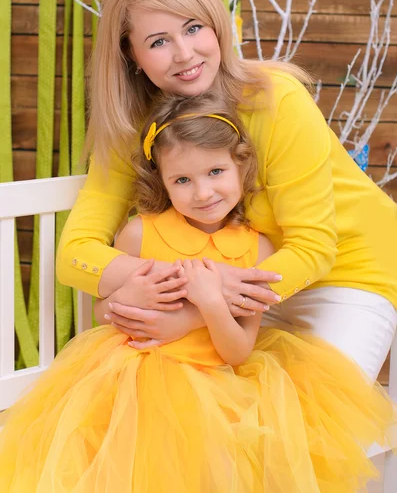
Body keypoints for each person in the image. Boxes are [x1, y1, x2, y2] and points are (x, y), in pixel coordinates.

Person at [0, 93, 395, 492]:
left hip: (217, 382)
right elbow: (105, 314)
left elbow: (239, 350)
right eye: (182, 180)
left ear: (242, 166)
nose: (202, 193)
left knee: (229, 457)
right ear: (163, 183)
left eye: (216, 172)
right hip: (132, 380)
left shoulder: (256, 250)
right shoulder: (140, 233)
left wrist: (209, 304)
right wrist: (127, 298)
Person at [56, 0, 397, 382]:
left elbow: (313, 248)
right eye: (159, 41)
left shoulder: (277, 100)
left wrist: (201, 305)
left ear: (216, 24)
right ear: (131, 55)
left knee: (313, 415)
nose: (184, 54)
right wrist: (175, 283)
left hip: (344, 272)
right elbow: (74, 255)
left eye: (194, 28)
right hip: (239, 287)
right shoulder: (133, 127)